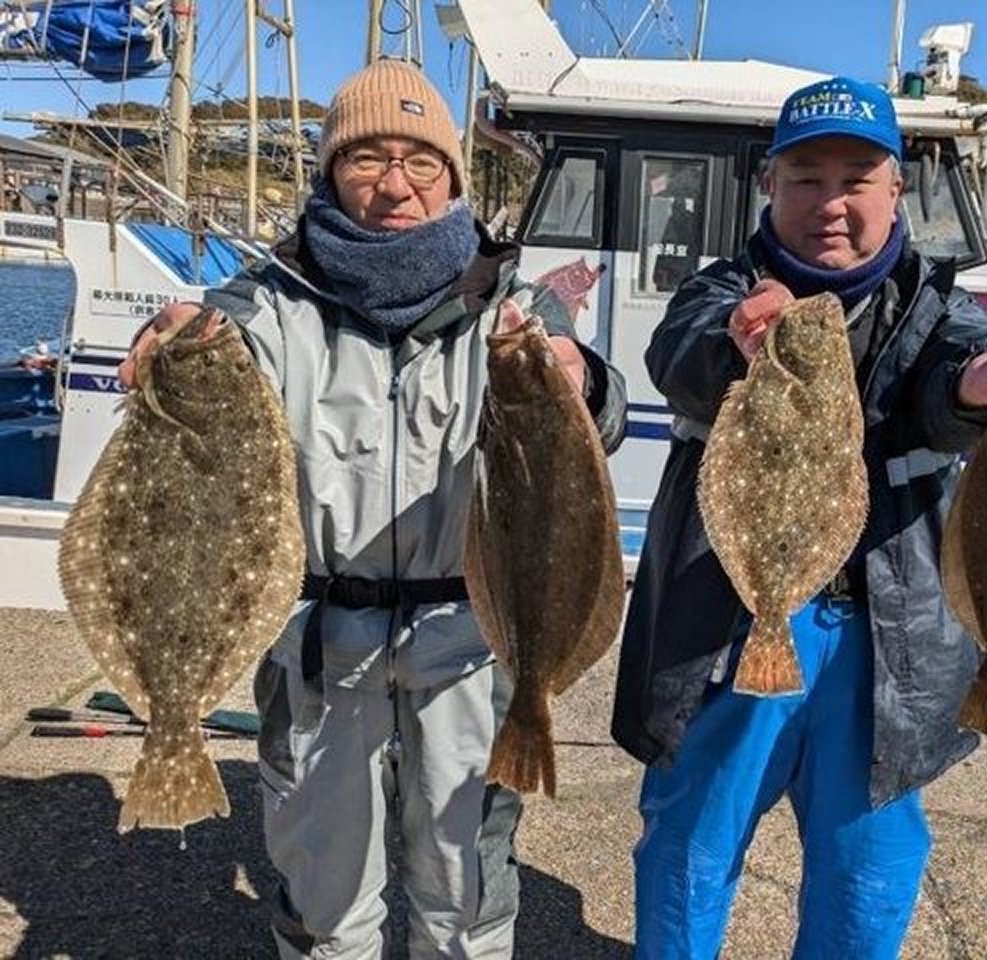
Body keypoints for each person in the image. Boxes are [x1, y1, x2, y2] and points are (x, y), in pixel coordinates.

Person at [120, 59, 626, 959]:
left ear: (454, 179)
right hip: (317, 653)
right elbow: (201, 354)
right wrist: (168, 342)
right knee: (323, 912)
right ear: (330, 174)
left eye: (421, 161)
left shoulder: (514, 309)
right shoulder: (265, 308)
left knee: (465, 903)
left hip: (474, 649)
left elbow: (601, 419)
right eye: (365, 158)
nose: (395, 183)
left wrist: (581, 382)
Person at [611, 75, 987, 959]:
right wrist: (739, 343)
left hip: (886, 642)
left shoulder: (944, 309)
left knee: (868, 874)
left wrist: (979, 391)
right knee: (689, 855)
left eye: (856, 177)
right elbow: (681, 356)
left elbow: (953, 379)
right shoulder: (723, 291)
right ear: (769, 189)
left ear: (896, 188)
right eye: (806, 178)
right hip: (731, 623)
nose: (831, 202)